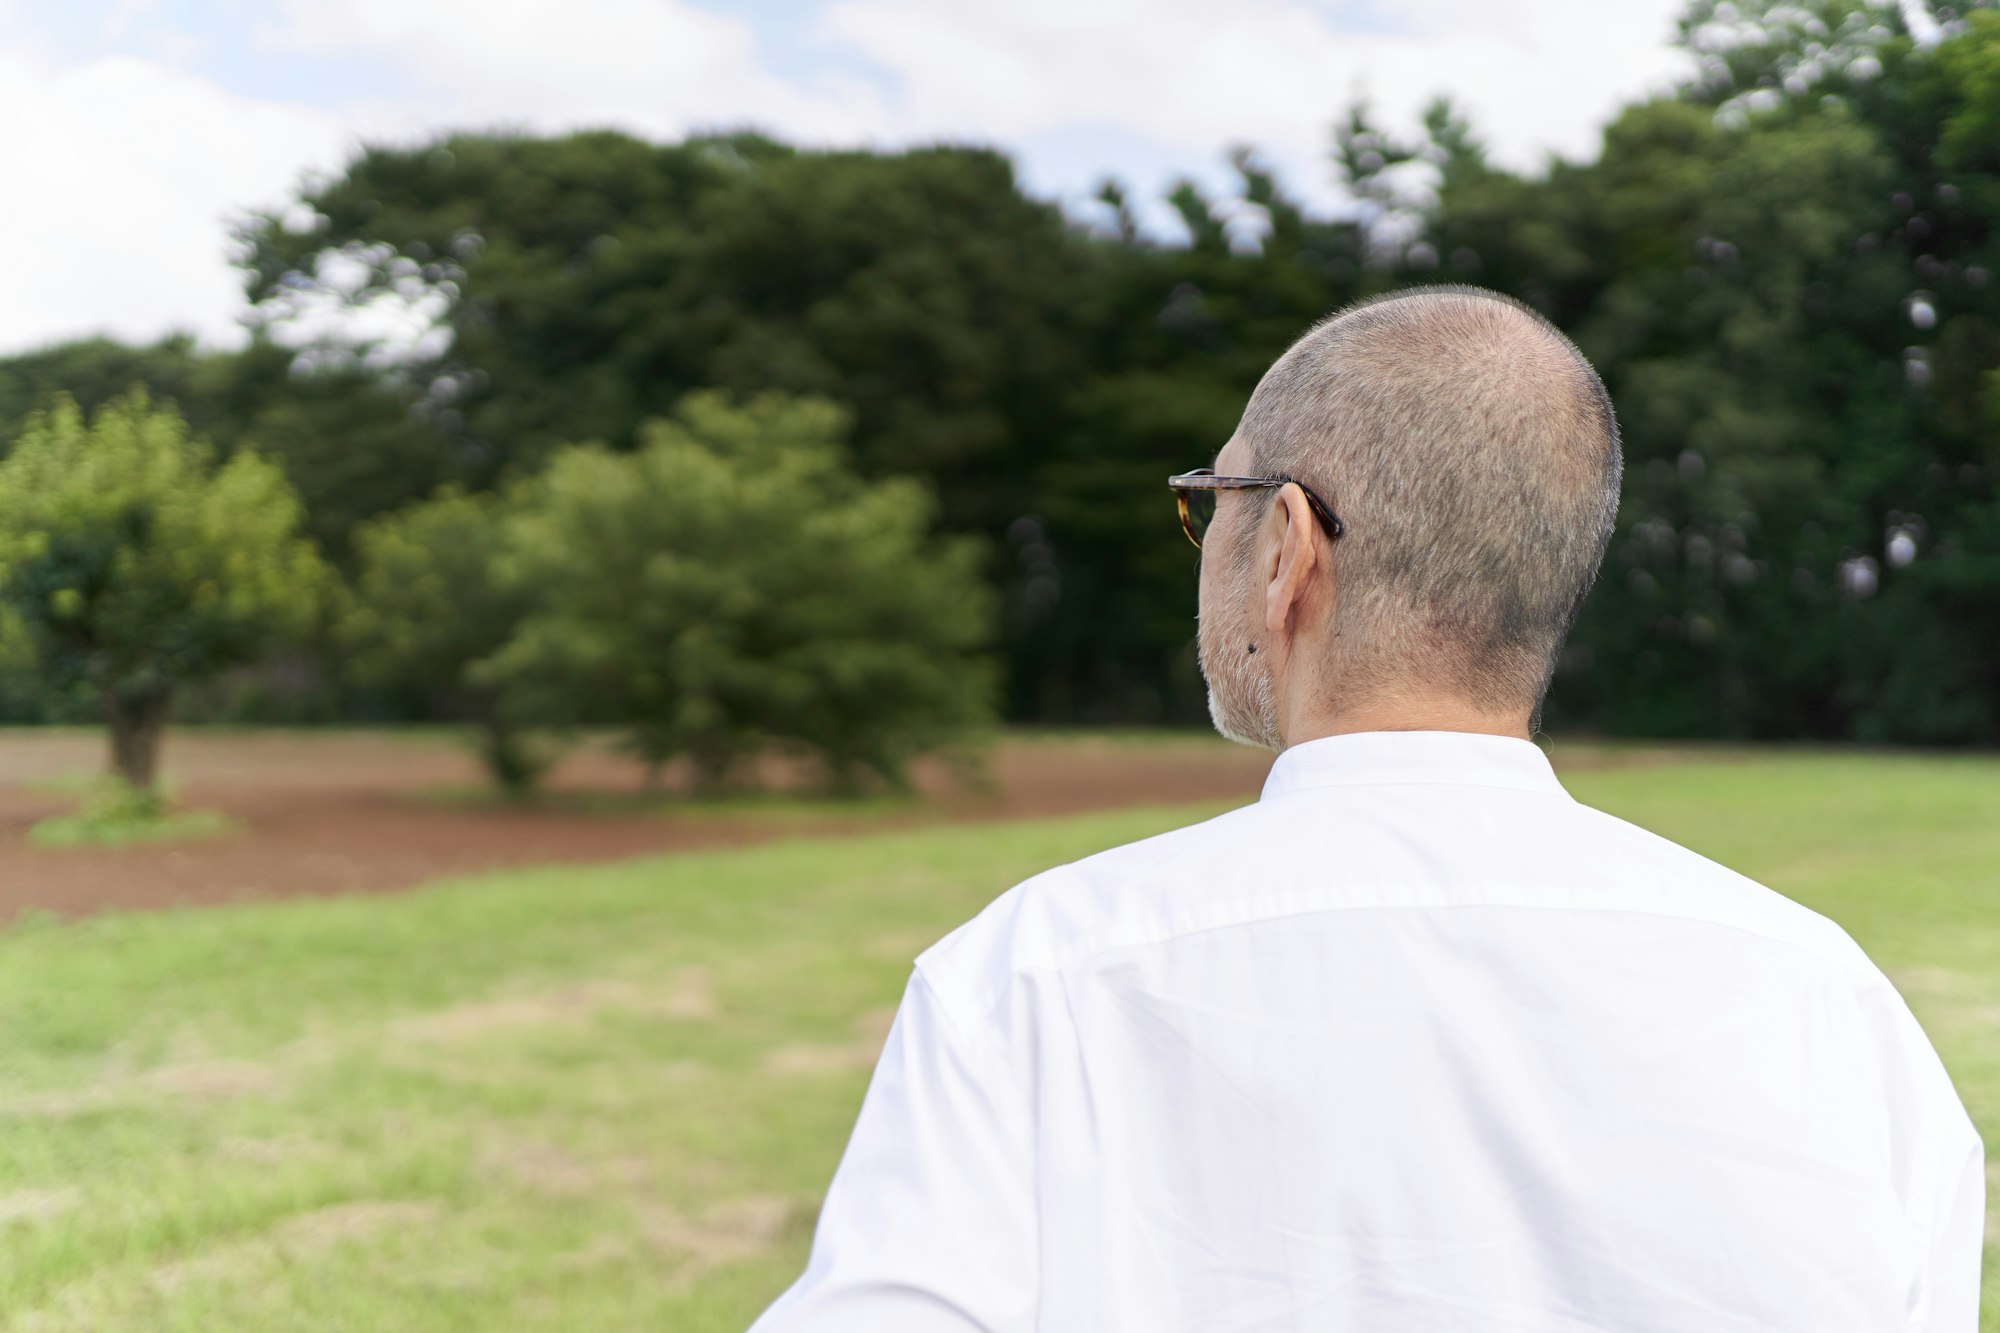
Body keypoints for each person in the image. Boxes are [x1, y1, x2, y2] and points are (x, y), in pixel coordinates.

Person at [747, 285, 1985, 1332]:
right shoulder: (1828, 1002)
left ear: (1287, 548)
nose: (1204, 545)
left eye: (1208, 505)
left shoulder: (1035, 978)